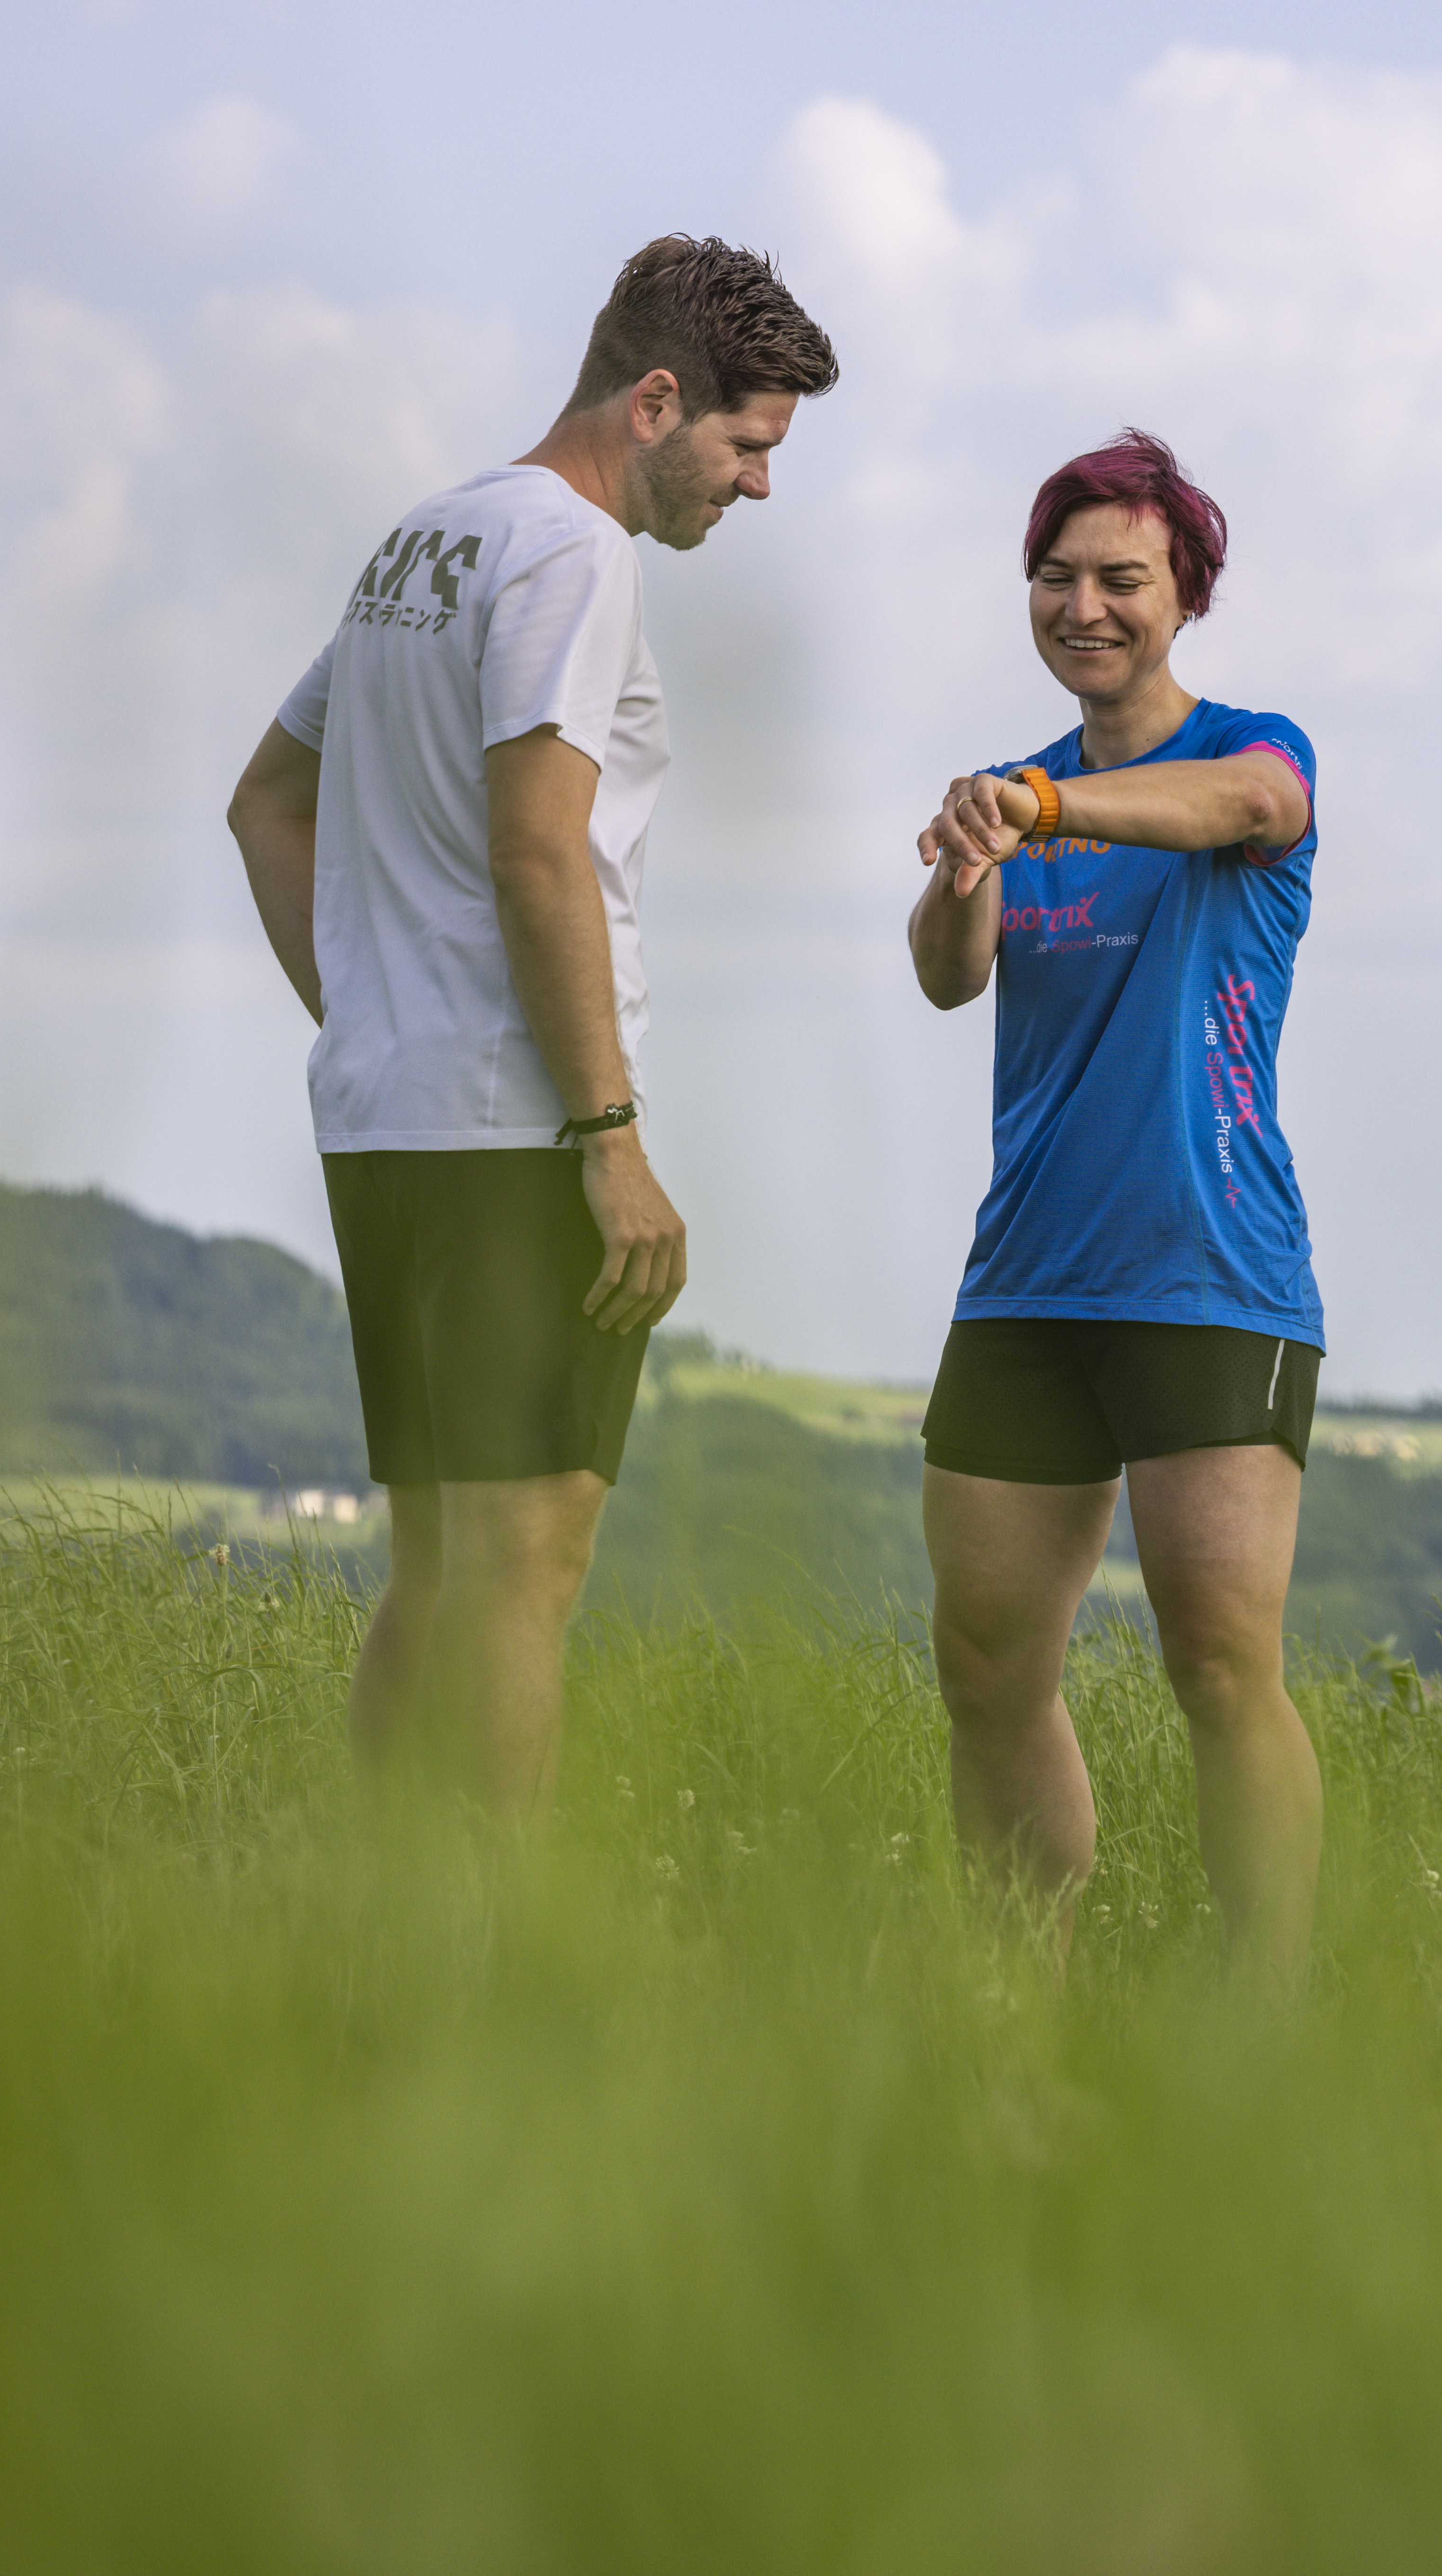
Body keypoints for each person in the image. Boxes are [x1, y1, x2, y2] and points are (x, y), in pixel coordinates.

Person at [224, 236, 837, 1809]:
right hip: (515, 1130)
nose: (758, 487)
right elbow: (538, 842)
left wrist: (367, 1001)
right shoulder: (576, 553)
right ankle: (492, 1976)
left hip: (387, 1115)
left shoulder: (422, 542)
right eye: (749, 446)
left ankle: (390, 1940)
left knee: (438, 1567)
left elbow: (265, 804)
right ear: (654, 402)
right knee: (522, 1574)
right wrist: (610, 1134)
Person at [905, 430, 1326, 1979]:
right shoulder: (1019, 796)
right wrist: (968, 860)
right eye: (1057, 575)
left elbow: (1238, 812)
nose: (1084, 605)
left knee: (1222, 1668)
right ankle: (1026, 2000)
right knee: (987, 1666)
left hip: (1211, 1270)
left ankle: (1269, 2022)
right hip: (1026, 1280)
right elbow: (950, 980)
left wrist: (1046, 810)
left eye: (1121, 579)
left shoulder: (1253, 749)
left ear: (1184, 595)